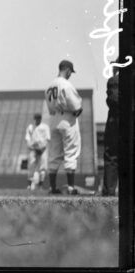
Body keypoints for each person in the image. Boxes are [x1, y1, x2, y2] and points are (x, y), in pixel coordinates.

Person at [45, 59, 83, 195]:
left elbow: (49, 109)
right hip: (67, 118)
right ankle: (71, 187)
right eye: (70, 72)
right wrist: (77, 111)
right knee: (71, 152)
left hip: (54, 119)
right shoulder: (66, 84)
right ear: (67, 70)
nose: (70, 74)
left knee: (54, 154)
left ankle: (52, 188)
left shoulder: (49, 86)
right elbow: (77, 105)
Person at [102, 61, 120, 196]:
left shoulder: (114, 80)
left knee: (111, 156)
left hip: (116, 120)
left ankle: (109, 191)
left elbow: (113, 100)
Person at [25, 112, 50, 190]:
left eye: (38, 118)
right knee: (31, 166)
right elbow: (27, 138)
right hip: (33, 149)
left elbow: (47, 139)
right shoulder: (30, 127)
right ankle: (29, 185)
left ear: (40, 118)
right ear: (34, 118)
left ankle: (40, 185)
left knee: (43, 167)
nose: (37, 119)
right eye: (36, 118)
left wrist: (42, 148)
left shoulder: (45, 127)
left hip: (42, 149)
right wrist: (31, 147)